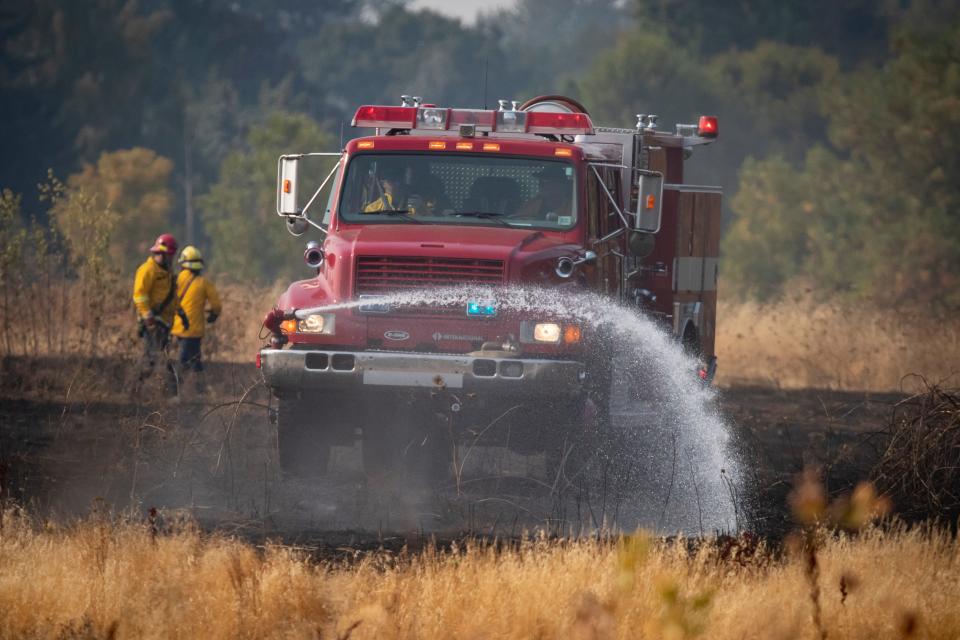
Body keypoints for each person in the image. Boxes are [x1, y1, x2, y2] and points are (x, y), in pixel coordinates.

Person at [132, 233, 185, 397]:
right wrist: (148, 317)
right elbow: (139, 295)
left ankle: (164, 393)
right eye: (170, 255)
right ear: (162, 254)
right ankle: (135, 392)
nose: (171, 259)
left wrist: (181, 313)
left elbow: (171, 297)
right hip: (153, 324)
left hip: (164, 325)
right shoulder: (148, 270)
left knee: (158, 358)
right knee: (152, 359)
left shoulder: (167, 273)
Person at [171, 245, 222, 395]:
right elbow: (217, 305)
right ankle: (176, 392)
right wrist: (213, 315)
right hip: (194, 330)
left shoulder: (176, 280)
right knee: (185, 361)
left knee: (194, 360)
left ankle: (199, 392)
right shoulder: (204, 283)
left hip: (177, 328)